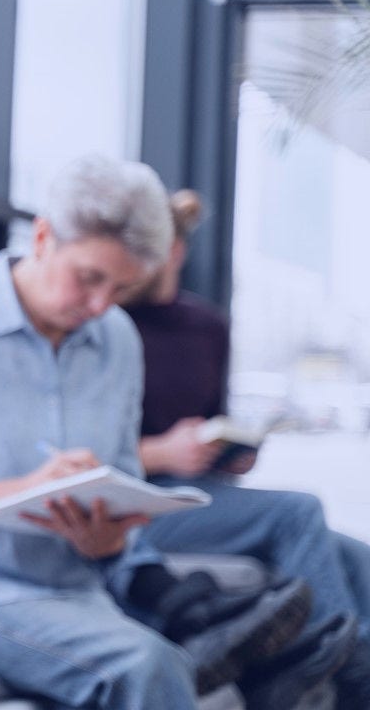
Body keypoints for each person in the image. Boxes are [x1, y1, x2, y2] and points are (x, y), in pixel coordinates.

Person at [0, 155, 313, 709]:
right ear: (43, 237)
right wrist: (25, 489)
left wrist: (108, 539)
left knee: (235, 649)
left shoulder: (116, 339)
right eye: (90, 278)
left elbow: (117, 493)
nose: (100, 306)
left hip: (69, 590)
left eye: (120, 289)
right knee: (145, 665)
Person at [126, 189, 370, 707]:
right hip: (140, 494)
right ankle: (353, 673)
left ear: (174, 252)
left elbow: (211, 418)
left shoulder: (207, 327)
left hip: (200, 492)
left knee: (353, 553)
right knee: (298, 512)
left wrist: (231, 452)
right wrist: (161, 453)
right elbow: (85, 451)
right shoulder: (107, 324)